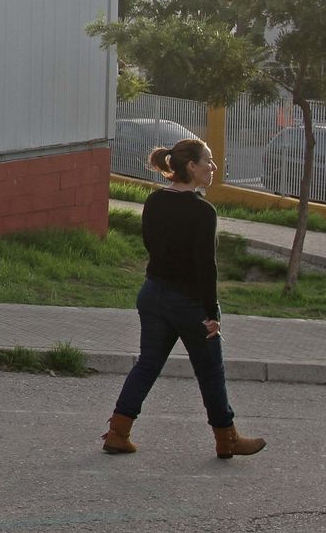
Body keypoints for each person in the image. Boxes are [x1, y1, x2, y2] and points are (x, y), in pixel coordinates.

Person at [101, 137, 267, 459]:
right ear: (191, 166)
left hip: (152, 294)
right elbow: (206, 266)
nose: (214, 167)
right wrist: (211, 312)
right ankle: (226, 438)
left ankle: (118, 432)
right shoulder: (203, 212)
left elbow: (150, 245)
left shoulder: (153, 202)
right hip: (188, 303)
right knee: (210, 372)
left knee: (147, 364)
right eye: (208, 161)